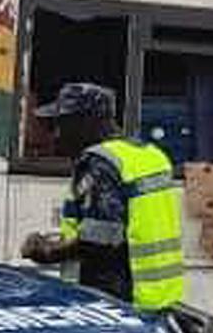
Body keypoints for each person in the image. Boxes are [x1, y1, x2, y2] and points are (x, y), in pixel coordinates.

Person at [21, 82, 188, 311]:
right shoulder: (150, 155)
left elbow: (100, 241)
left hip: (117, 301)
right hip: (158, 295)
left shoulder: (100, 163)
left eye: (63, 124)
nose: (58, 135)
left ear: (88, 122)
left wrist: (47, 251)